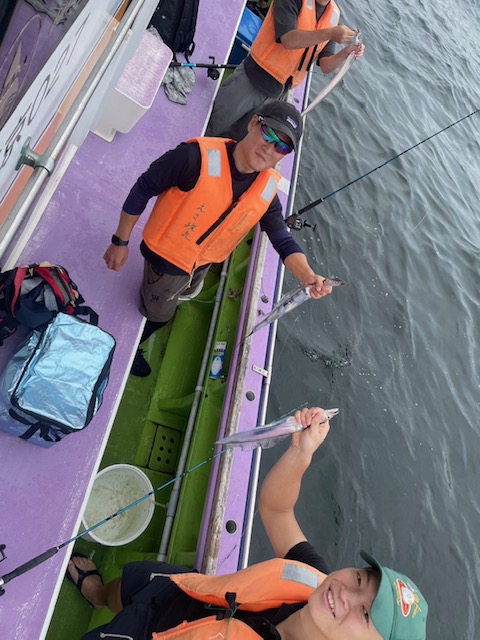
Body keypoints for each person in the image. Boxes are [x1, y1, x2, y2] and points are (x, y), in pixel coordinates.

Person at [69, 407, 429, 639]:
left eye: (365, 614)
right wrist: (301, 452)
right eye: (360, 579)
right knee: (124, 587)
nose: (345, 594)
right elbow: (276, 510)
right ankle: (97, 595)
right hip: (181, 592)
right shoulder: (313, 578)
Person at [104, 100, 332, 377]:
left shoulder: (266, 190)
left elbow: (282, 239)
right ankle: (136, 342)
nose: (269, 148)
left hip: (202, 262)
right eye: (269, 133)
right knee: (159, 314)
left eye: (281, 147)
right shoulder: (193, 158)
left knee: (183, 295)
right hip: (167, 260)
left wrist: (308, 276)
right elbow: (144, 187)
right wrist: (120, 242)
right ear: (253, 123)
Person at [206, 0, 366, 140]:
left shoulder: (333, 17)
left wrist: (346, 53)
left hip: (278, 94)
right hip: (251, 80)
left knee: (238, 141)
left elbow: (325, 65)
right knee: (212, 125)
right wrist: (329, 33)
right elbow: (288, 39)